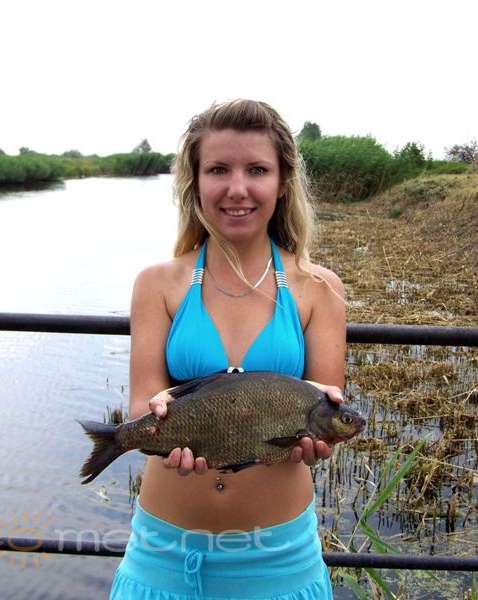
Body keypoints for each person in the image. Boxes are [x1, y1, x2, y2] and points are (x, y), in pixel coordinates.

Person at [110, 99, 346, 599]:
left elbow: (328, 412)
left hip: (280, 558)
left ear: (282, 183)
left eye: (257, 169)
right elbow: (141, 405)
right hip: (163, 553)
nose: (237, 188)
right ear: (195, 182)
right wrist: (156, 413)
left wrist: (319, 443)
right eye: (218, 169)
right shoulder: (157, 284)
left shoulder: (319, 289)